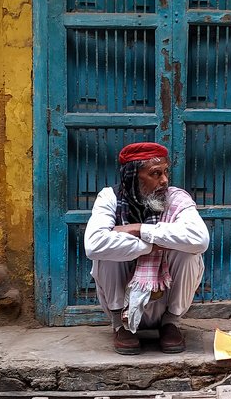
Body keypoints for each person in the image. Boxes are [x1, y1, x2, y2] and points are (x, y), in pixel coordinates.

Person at [84, 142, 209, 355]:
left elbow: (200, 239)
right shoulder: (110, 198)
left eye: (166, 172)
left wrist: (140, 229)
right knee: (106, 254)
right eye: (155, 174)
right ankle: (120, 325)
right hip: (124, 301)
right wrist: (151, 247)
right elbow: (94, 244)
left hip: (165, 299)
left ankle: (171, 323)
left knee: (189, 253)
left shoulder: (176, 198)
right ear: (133, 177)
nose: (164, 180)